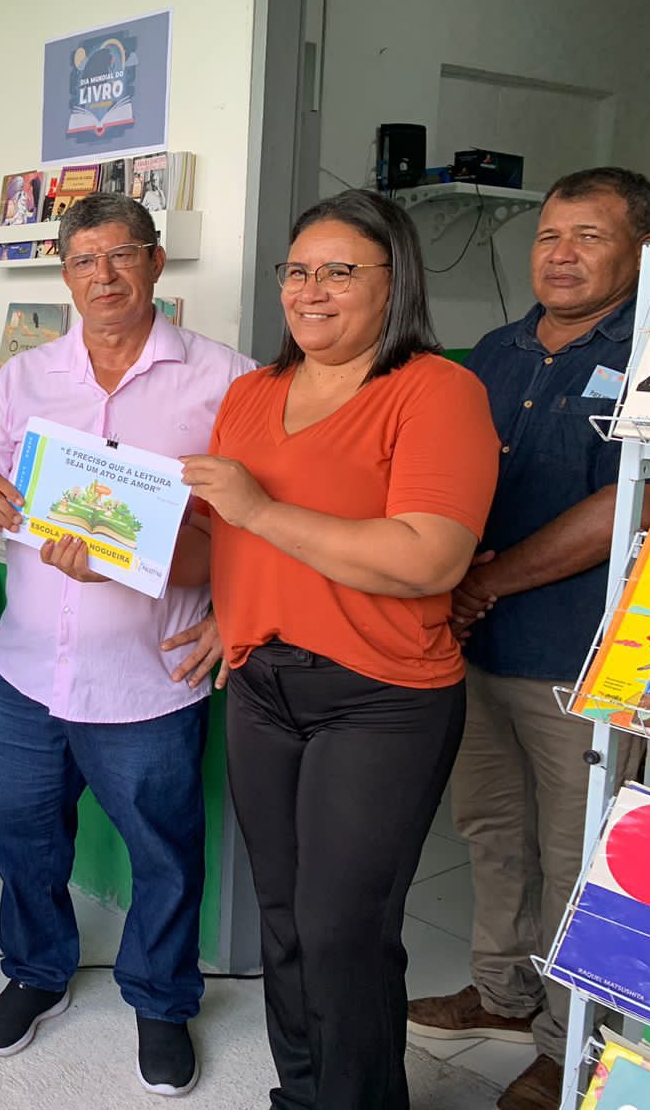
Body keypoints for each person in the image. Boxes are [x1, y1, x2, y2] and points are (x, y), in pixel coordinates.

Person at [183, 189, 500, 1110]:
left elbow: (429, 557)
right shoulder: (252, 394)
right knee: (282, 920)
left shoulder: (436, 390)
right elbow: (222, 541)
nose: (310, 290)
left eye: (339, 272)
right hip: (261, 686)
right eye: (297, 271)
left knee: (342, 932)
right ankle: (302, 1095)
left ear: (394, 283)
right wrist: (107, 544)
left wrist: (260, 510)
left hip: (381, 697)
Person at [0, 191, 249, 1096]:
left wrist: (234, 615)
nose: (104, 276)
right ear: (67, 275)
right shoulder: (25, 377)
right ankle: (36, 972)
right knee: (19, 834)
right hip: (26, 667)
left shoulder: (227, 380)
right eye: (85, 261)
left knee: (163, 850)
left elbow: (258, 528)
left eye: (121, 255)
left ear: (155, 261)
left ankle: (160, 1001)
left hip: (149, 674)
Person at [407, 167, 650, 1110]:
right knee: (492, 829)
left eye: (589, 236)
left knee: (579, 854)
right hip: (477, 648)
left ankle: (571, 1040)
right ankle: (504, 994)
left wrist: (484, 580)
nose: (560, 253)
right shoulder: (494, 352)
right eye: (550, 234)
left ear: (644, 251)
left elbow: (634, 504)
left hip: (585, 659)